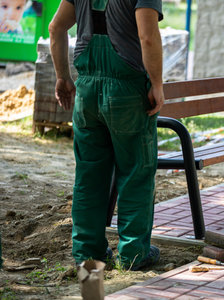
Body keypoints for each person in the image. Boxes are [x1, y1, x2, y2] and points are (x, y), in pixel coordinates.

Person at [49, 0, 164, 270]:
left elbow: (56, 28)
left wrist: (63, 77)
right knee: (136, 171)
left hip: (87, 91)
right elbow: (147, 37)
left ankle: (88, 253)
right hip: (127, 91)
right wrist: (157, 83)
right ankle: (134, 253)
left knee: (89, 176)